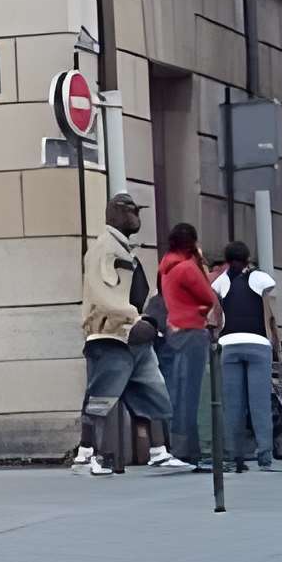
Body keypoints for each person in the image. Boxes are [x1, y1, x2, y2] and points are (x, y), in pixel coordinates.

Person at [75, 192, 195, 475]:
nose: (137, 217)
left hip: (132, 333)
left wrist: (145, 320)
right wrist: (133, 317)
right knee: (102, 396)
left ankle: (159, 451)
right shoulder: (105, 249)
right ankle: (88, 454)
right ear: (116, 213)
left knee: (153, 392)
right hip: (112, 334)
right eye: (132, 211)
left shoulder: (124, 249)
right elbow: (102, 292)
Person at [211, 237, 282, 471]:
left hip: (229, 343)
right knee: (259, 402)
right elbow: (270, 286)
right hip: (257, 343)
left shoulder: (221, 281)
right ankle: (264, 455)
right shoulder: (258, 277)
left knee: (233, 404)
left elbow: (216, 299)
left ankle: (234, 456)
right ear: (248, 258)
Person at [160, 222, 219, 465]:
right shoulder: (187, 267)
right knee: (197, 393)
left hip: (174, 330)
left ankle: (179, 446)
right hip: (193, 331)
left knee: (179, 391)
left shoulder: (165, 266)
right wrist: (201, 309)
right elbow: (209, 296)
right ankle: (197, 449)